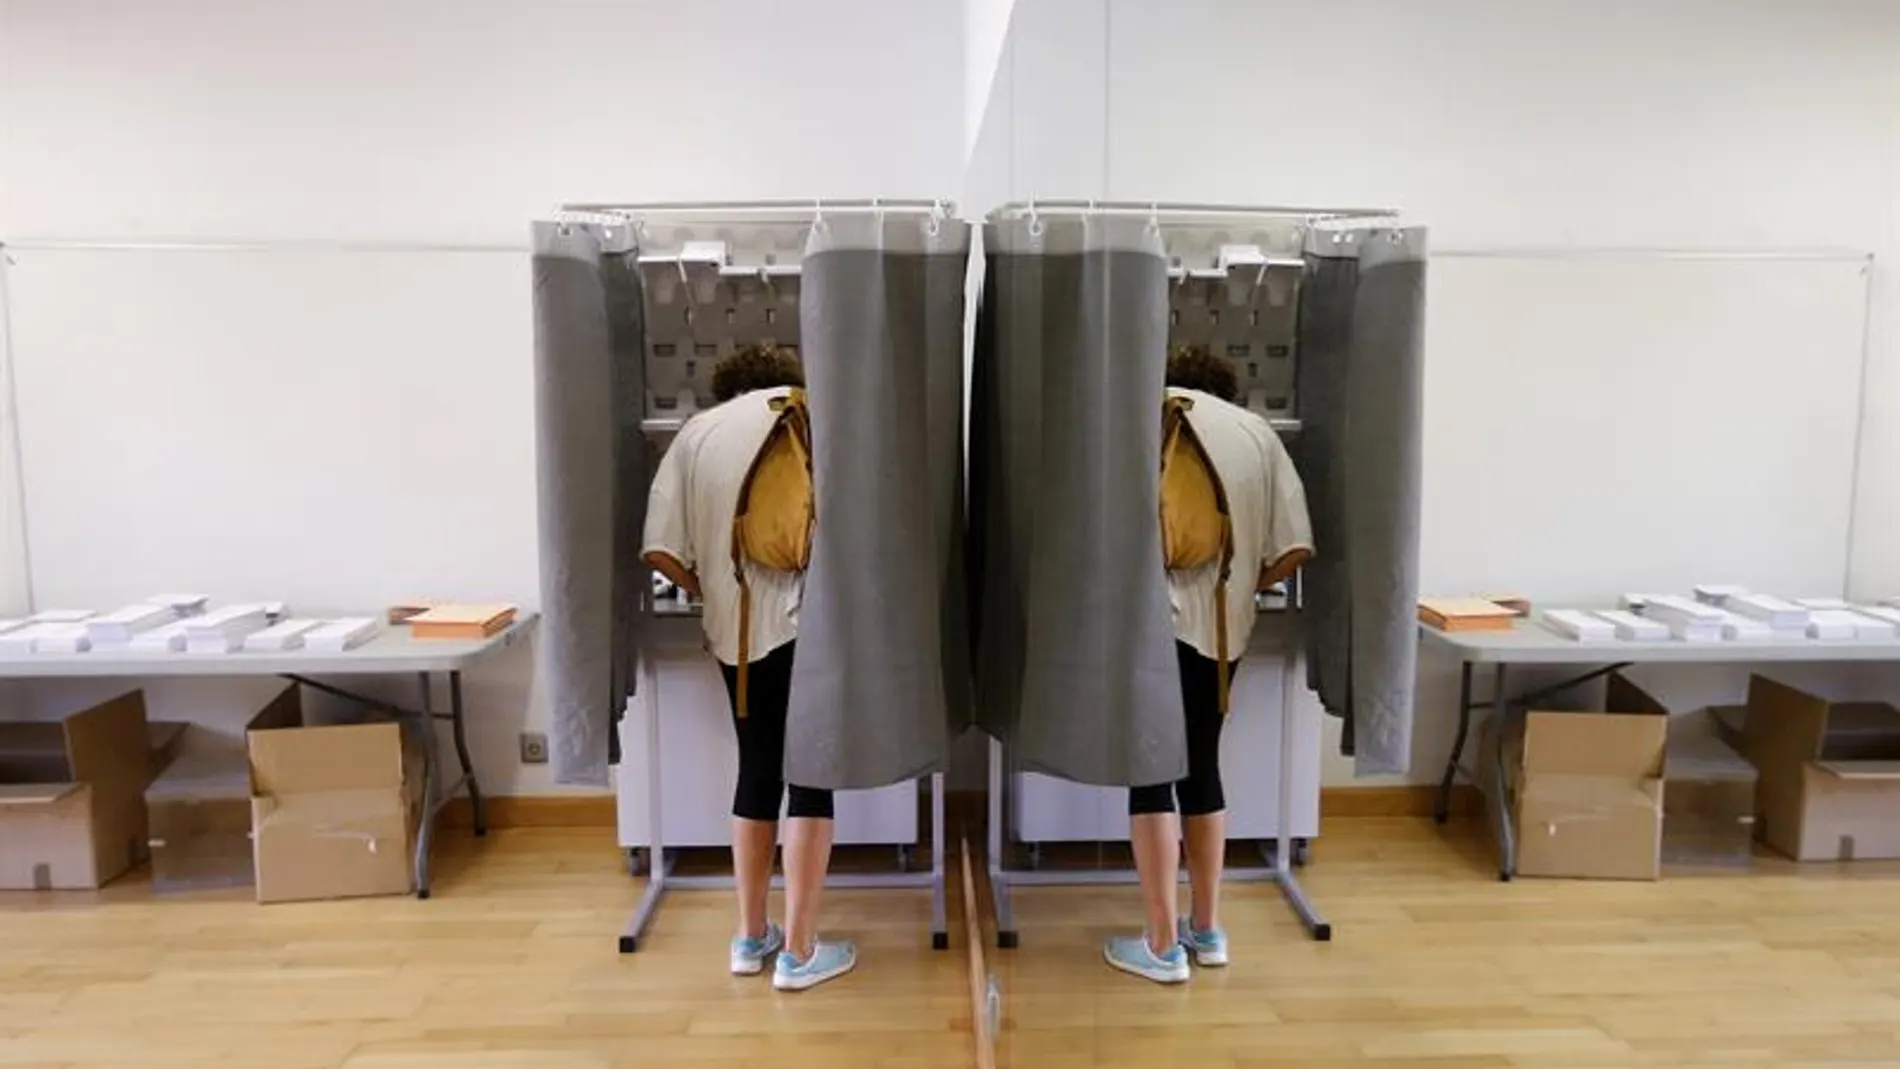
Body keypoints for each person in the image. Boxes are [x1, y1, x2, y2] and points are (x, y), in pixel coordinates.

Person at [642, 343, 856, 992]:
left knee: (756, 771)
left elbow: (659, 550)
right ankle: (799, 949)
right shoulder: (822, 421)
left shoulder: (698, 433)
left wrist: (711, 589)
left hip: (737, 635)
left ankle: (748, 934)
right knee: (812, 778)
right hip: (818, 629)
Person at [1104, 344, 1314, 984]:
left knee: (1150, 772)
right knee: (1202, 769)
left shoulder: (1140, 425)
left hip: (1144, 628)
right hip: (1222, 634)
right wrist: (1245, 583)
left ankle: (1161, 945)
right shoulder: (1256, 435)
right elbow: (1296, 548)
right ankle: (1206, 928)